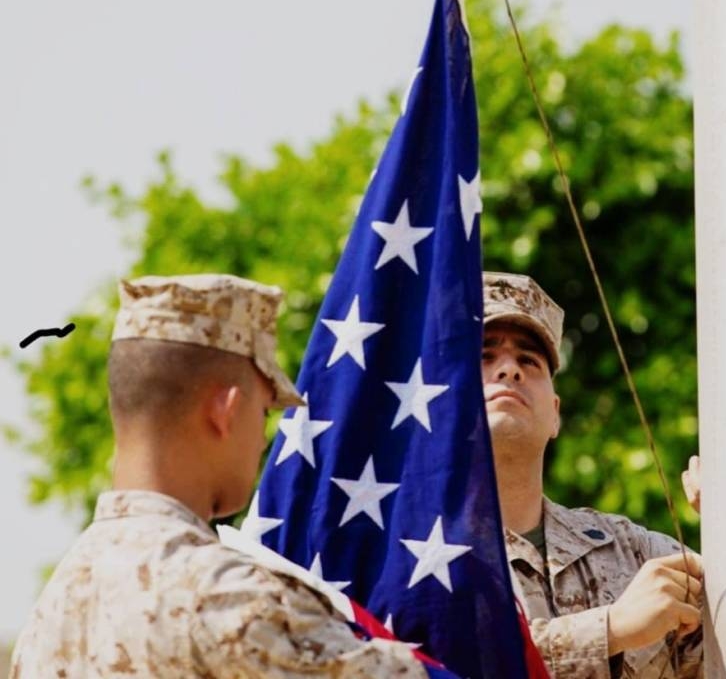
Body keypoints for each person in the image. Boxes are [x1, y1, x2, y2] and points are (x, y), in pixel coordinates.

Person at [10, 273, 430, 679]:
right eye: (263, 412)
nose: (263, 440)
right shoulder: (229, 597)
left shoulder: (52, 611)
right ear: (224, 410)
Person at [482, 271, 704, 679]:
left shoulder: (634, 552)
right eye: (484, 356)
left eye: (529, 360)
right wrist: (610, 629)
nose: (510, 369)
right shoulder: (406, 557)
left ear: (555, 413)